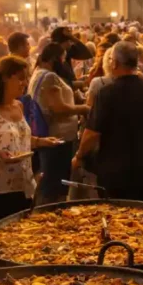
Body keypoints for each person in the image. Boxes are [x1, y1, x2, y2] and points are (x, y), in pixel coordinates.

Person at [74, 42, 143, 201]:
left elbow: (91, 134)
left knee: (117, 220)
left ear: (114, 63)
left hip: (115, 172)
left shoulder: (106, 94)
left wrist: (79, 156)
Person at [0, 56, 61, 226]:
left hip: (23, 186)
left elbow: (20, 139)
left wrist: (42, 141)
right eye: (21, 78)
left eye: (26, 78)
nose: (25, 82)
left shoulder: (18, 105)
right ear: (5, 77)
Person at [30, 43, 90, 204]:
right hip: (57, 136)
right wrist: (84, 108)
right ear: (54, 58)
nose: (64, 62)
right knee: (55, 184)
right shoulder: (49, 77)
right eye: (62, 58)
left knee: (51, 180)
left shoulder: (38, 73)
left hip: (52, 135)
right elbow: (58, 108)